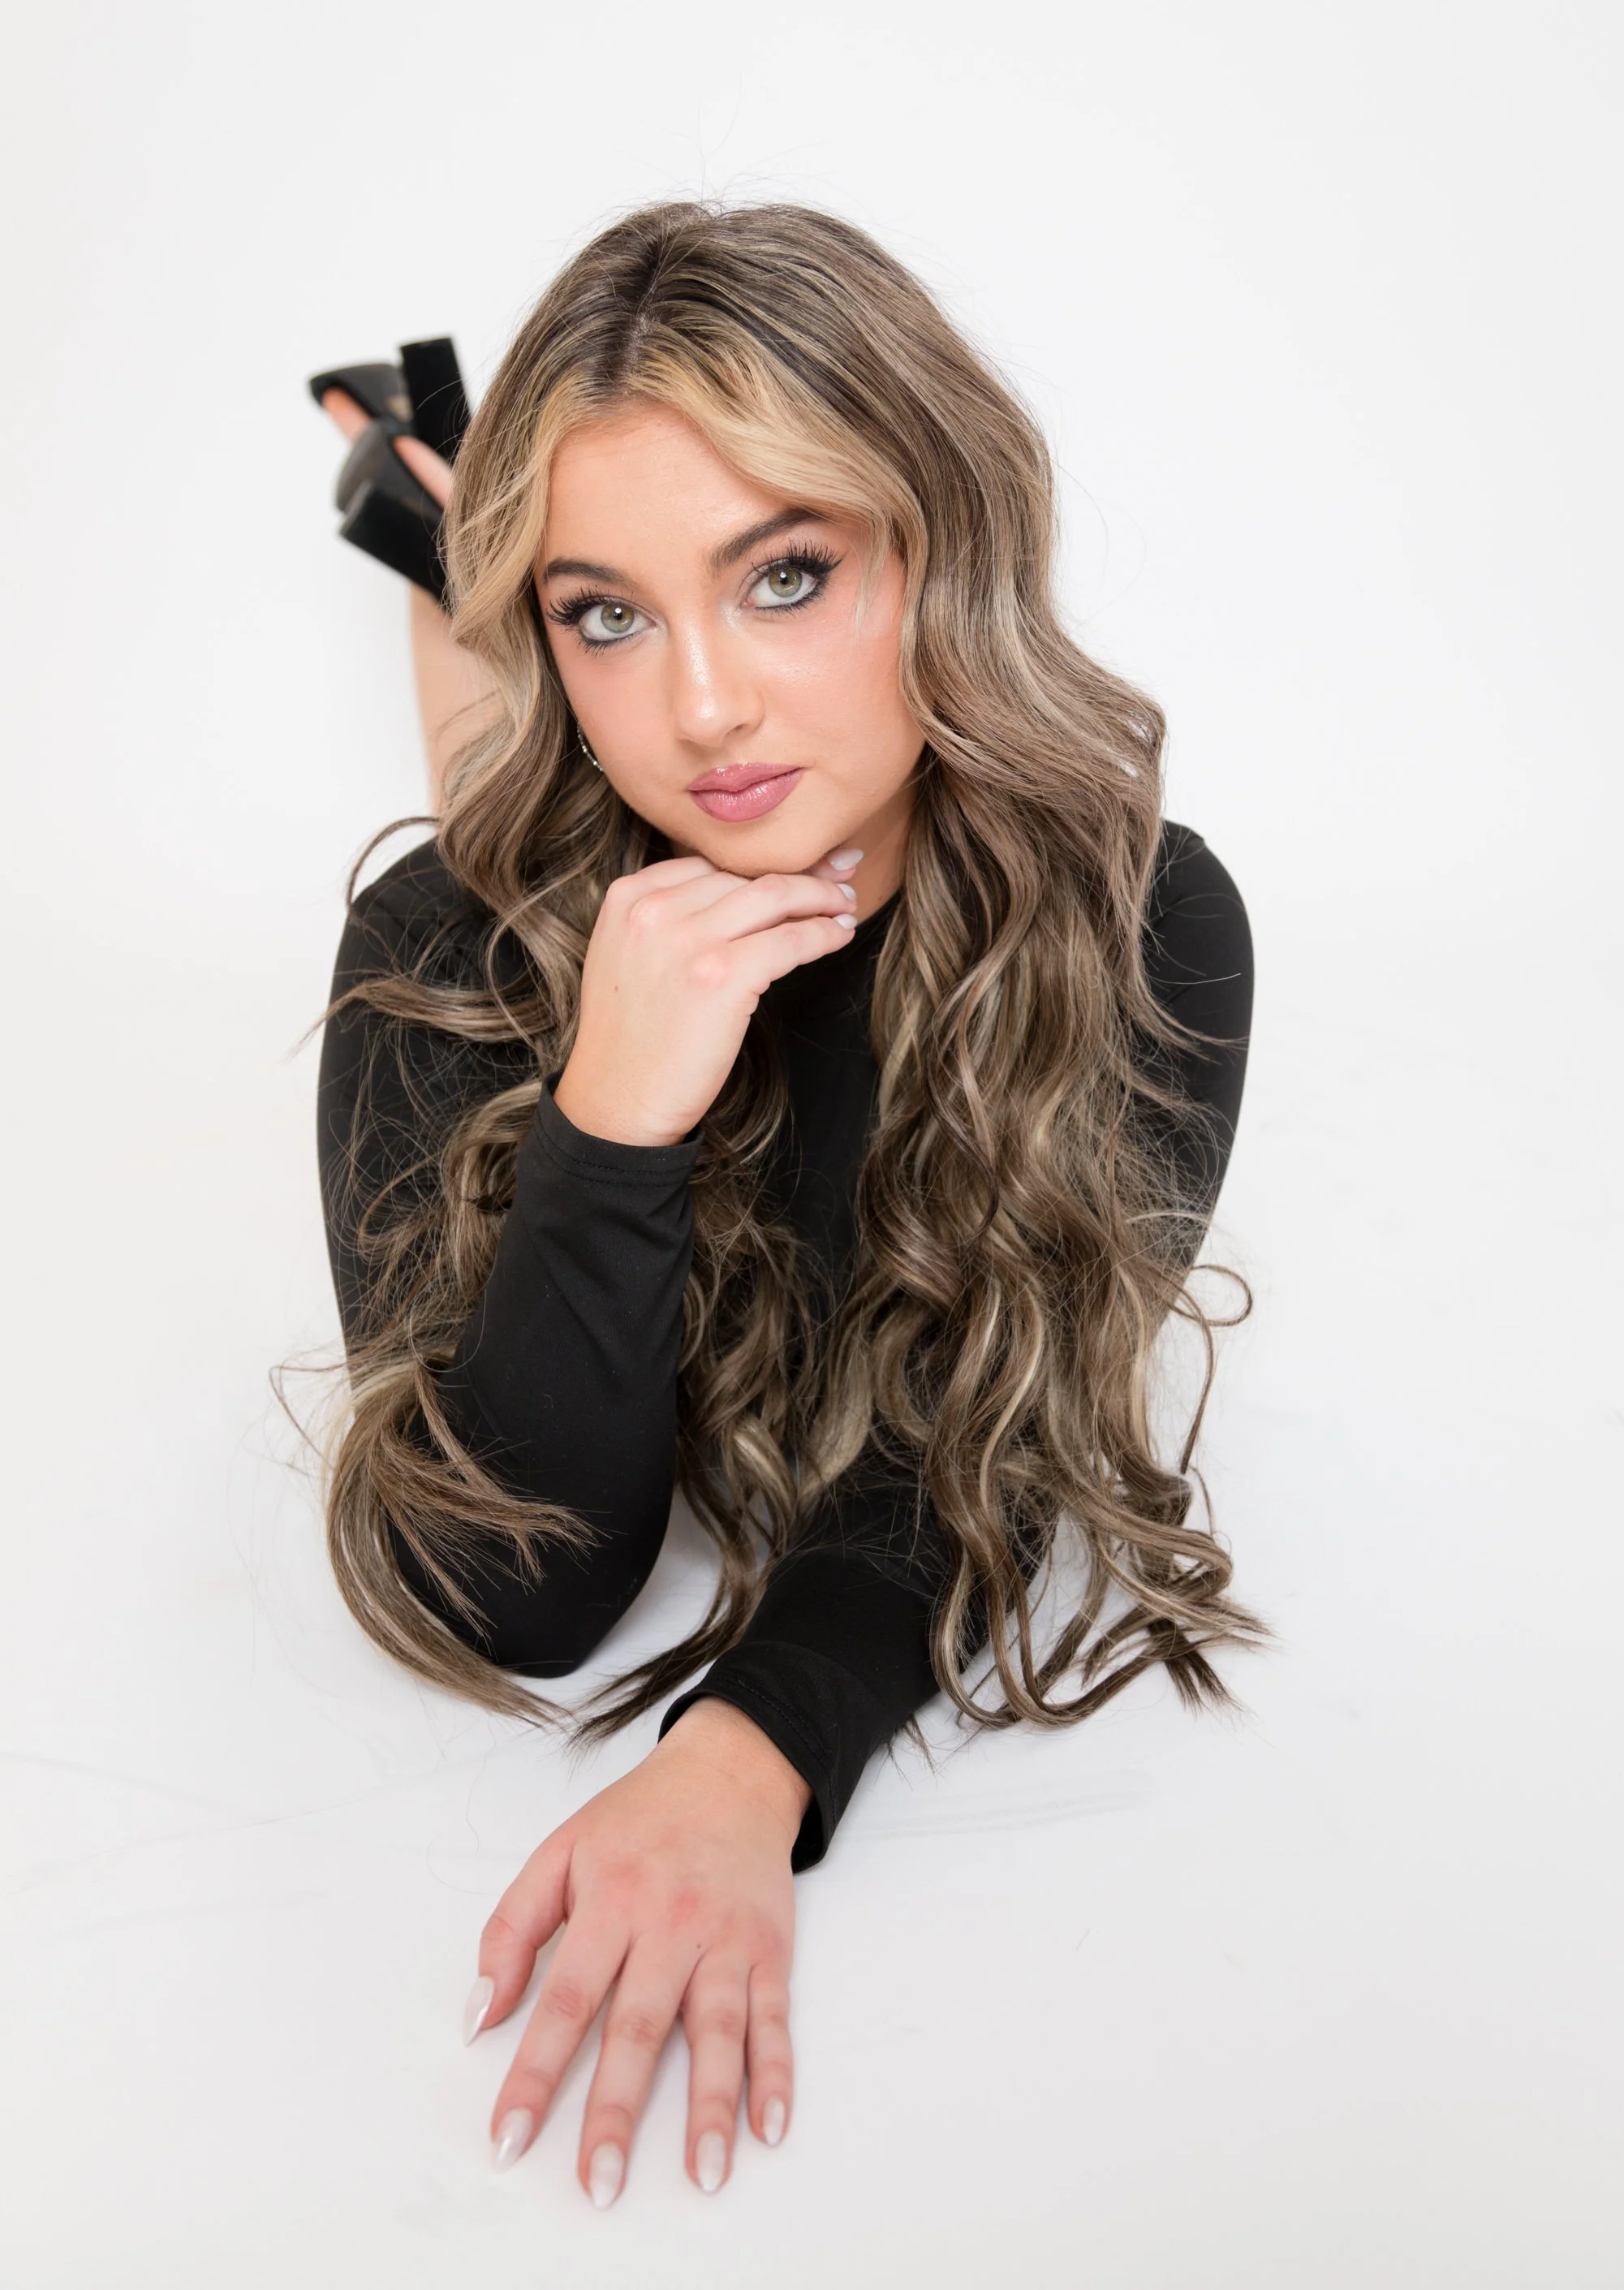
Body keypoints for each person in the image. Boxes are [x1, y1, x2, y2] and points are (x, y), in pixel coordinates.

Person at [310, 200, 1261, 2211]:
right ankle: (443, 519)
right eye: (605, 611)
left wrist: (753, 1748)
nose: (715, 707)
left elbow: (988, 1448)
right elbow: (521, 1593)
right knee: (506, 818)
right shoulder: (424, 951)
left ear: (944, 541)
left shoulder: (1145, 931)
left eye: (790, 573)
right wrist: (612, 1114)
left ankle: (465, 508)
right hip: (523, 905)